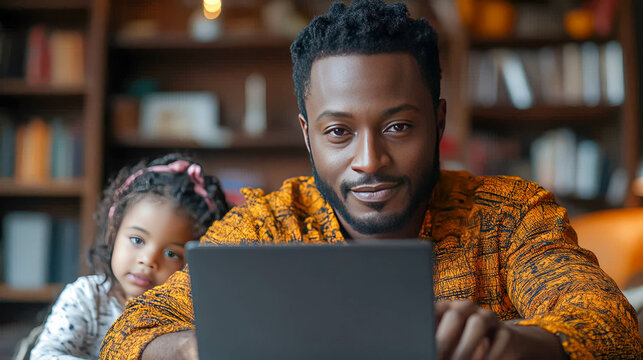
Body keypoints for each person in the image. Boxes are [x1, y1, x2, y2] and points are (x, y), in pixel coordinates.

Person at [100, 1, 641, 359]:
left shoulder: (511, 215)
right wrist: (194, 347)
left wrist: (511, 342)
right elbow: (127, 334)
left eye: (398, 126)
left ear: (441, 122)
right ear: (308, 136)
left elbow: (612, 329)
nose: (370, 160)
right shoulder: (270, 224)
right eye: (339, 132)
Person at [30, 153, 229, 359]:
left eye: (171, 253)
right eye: (137, 240)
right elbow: (44, 355)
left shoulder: (185, 322)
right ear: (113, 231)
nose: (148, 260)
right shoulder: (87, 299)